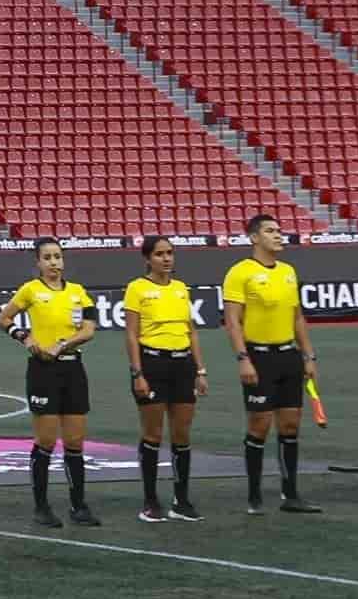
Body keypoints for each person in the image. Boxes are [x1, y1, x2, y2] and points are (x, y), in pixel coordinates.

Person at [219, 213, 319, 513]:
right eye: (270, 231)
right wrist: (243, 359)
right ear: (254, 238)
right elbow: (233, 321)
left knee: (290, 425)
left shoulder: (288, 271)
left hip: (288, 355)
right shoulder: (240, 273)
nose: (278, 235)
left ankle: (290, 495)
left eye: (279, 230)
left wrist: (308, 355)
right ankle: (254, 496)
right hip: (258, 357)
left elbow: (297, 317)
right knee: (259, 425)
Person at [5, 238, 102, 529]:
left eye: (57, 257)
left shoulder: (78, 292)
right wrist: (25, 338)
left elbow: (89, 330)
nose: (54, 262)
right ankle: (41, 506)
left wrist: (63, 345)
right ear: (38, 262)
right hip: (43, 370)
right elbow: (4, 318)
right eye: (47, 257)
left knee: (74, 442)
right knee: (46, 441)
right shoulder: (30, 290)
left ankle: (78, 505)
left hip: (72, 368)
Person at [121, 234, 204, 521]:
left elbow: (190, 330)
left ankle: (181, 501)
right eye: (159, 254)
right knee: (153, 435)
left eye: (170, 253)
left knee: (181, 435)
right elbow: (131, 334)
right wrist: (137, 373)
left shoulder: (181, 289)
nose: (166, 258)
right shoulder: (137, 288)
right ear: (147, 258)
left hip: (183, 366)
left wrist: (200, 370)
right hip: (152, 364)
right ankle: (150, 500)